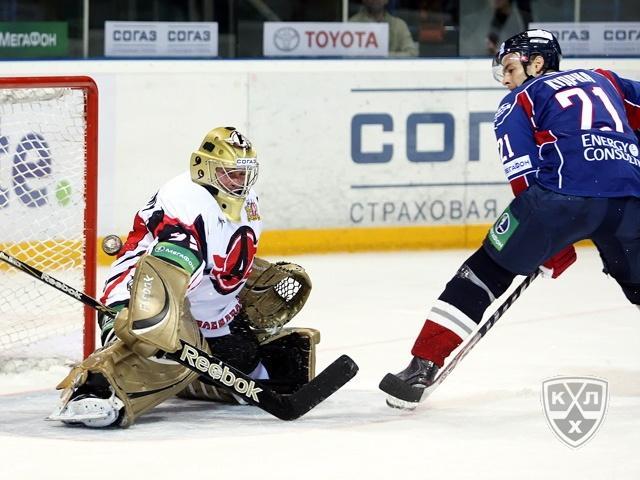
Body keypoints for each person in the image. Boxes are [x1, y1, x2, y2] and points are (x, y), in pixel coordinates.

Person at [381, 29, 640, 408]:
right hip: (631, 200)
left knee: (483, 273)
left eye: (509, 66)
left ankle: (422, 367)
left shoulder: (519, 98)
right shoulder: (605, 79)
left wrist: (547, 244)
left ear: (536, 63)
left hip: (561, 201)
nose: (505, 78)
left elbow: (523, 175)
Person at [49, 126, 317, 427]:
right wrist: (153, 315)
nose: (240, 182)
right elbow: (174, 262)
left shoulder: (247, 200)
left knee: (241, 357)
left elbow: (224, 252)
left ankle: (188, 377)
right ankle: (92, 390)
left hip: (200, 302)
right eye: (231, 173)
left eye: (245, 173)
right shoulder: (184, 198)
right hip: (143, 292)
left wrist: (244, 277)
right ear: (203, 167)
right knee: (163, 347)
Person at [350, 0, 418, 57]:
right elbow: (347, 56)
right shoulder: (352, 24)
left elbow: (412, 53)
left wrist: (384, 56)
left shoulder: (399, 25)